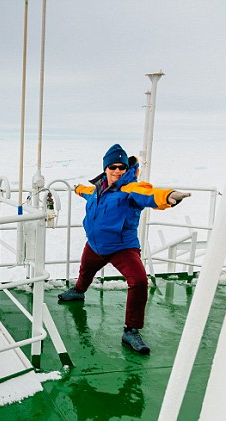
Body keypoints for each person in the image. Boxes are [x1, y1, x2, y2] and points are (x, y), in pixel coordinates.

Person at [58, 144, 190, 354]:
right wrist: (77, 189)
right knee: (86, 271)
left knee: (138, 281)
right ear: (106, 168)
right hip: (94, 245)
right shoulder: (97, 189)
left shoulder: (130, 189)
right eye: (113, 167)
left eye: (122, 167)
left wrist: (168, 197)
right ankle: (78, 292)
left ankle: (131, 330)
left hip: (122, 247)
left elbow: (149, 194)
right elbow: (87, 192)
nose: (118, 171)